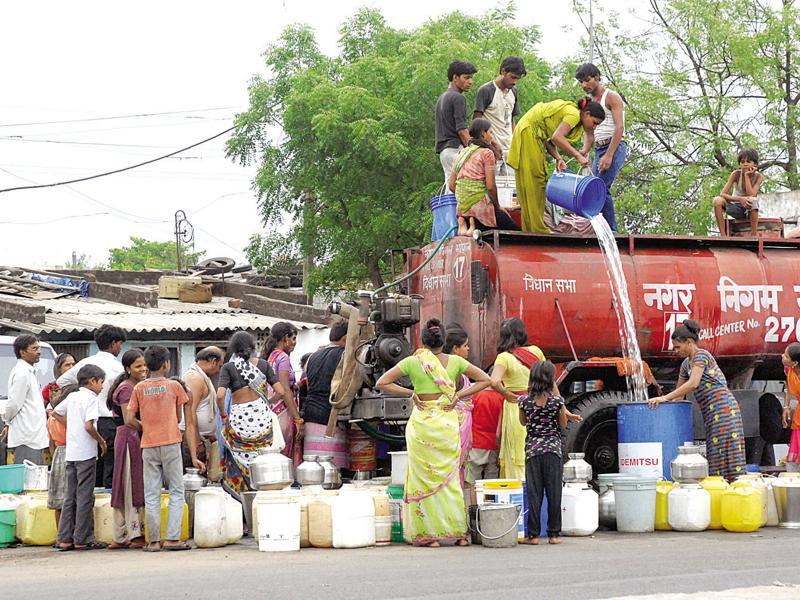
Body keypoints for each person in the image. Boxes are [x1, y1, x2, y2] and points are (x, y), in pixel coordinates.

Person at [375, 319, 491, 547]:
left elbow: (382, 382)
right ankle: (458, 533)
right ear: (444, 341)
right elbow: (486, 380)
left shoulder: (412, 362)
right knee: (450, 481)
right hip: (447, 425)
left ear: (423, 342)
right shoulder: (456, 362)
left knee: (424, 481)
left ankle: (430, 536)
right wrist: (458, 396)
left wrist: (410, 393)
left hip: (422, 427)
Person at [648, 320, 746, 481]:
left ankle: (734, 490)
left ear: (689, 342)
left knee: (728, 453)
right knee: (715, 454)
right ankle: (720, 491)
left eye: (678, 346)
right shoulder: (686, 364)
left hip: (724, 411)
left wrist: (664, 397)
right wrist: (662, 407)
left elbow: (693, 384)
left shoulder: (701, 356)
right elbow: (679, 396)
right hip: (711, 415)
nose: (676, 351)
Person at [507, 98, 605, 233]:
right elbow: (556, 137)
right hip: (529, 132)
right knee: (535, 181)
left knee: (536, 181)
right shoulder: (574, 114)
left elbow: (550, 140)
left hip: (534, 135)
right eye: (594, 123)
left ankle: (532, 228)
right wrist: (577, 156)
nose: (594, 127)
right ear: (586, 114)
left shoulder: (576, 118)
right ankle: (537, 229)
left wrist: (558, 158)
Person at [127, 345, 190, 551]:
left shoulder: (139, 388)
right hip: (171, 442)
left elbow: (129, 419)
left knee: (152, 493)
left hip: (149, 444)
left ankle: (153, 541)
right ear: (166, 364)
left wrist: (144, 428)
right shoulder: (174, 386)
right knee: (176, 491)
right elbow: (179, 417)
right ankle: (172, 538)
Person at [217, 331, 286, 495]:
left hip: (240, 420)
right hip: (262, 420)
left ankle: (243, 496)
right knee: (262, 457)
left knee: (235, 455)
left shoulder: (229, 367)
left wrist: (223, 414)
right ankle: (263, 491)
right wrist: (267, 402)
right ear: (252, 346)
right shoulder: (263, 365)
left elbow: (220, 395)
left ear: (233, 349)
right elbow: (280, 391)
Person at [519, 361, 580, 545]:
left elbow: (523, 423)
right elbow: (562, 424)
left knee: (534, 493)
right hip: (553, 449)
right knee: (554, 492)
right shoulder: (557, 401)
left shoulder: (524, 401)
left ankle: (534, 535)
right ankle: (553, 534)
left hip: (532, 450)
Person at [58, 324, 127, 487]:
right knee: (109, 467)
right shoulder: (119, 368)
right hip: (110, 422)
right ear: (114, 344)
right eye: (120, 344)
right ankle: (107, 504)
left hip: (86, 423)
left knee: (90, 467)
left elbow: (61, 381)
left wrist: (80, 394)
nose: (120, 347)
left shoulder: (85, 363)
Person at [54, 365, 108, 551]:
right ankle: (82, 538)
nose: (102, 386)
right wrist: (101, 441)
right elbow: (89, 426)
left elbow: (54, 412)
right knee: (84, 496)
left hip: (72, 453)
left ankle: (64, 538)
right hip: (86, 453)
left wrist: (71, 426)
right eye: (101, 382)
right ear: (92, 381)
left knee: (70, 496)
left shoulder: (73, 396)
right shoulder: (91, 399)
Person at [490, 318, 547, 480]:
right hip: (537, 405)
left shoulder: (504, 357)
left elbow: (494, 381)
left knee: (517, 454)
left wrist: (506, 393)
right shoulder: (536, 351)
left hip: (516, 408)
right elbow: (547, 378)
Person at [575, 63, 626, 233]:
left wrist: (609, 155)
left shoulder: (611, 97)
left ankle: (611, 231)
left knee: (600, 188)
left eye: (587, 80)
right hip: (598, 148)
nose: (584, 85)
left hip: (614, 146)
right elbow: (590, 133)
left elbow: (619, 127)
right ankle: (599, 228)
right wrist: (583, 151)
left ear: (597, 77)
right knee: (594, 187)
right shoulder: (589, 103)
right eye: (581, 82)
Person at [106, 349, 148, 550]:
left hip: (127, 437)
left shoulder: (132, 386)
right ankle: (134, 533)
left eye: (144, 365)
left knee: (125, 485)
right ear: (128, 368)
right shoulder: (127, 389)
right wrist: (149, 428)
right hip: (129, 438)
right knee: (131, 485)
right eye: (138, 366)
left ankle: (121, 534)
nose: (143, 369)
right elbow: (130, 420)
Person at [448, 118, 520, 234]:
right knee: (515, 231)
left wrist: (467, 196)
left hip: (462, 209)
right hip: (480, 210)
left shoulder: (461, 154)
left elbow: (451, 186)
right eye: (490, 132)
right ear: (483, 133)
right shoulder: (486, 153)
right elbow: (490, 187)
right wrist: (498, 206)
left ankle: (465, 223)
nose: (492, 137)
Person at [303, 320, 349, 468]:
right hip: (331, 417)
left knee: (313, 467)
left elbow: (306, 384)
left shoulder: (312, 357)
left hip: (310, 414)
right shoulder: (345, 355)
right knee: (333, 468)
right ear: (346, 338)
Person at [263, 322, 303, 466]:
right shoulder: (283, 358)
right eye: (293, 339)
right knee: (284, 453)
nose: (294, 343)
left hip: (272, 410)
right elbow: (285, 389)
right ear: (285, 338)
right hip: (284, 412)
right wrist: (297, 419)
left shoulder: (271, 356)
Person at [5, 334, 48, 464]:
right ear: (22, 353)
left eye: (39, 348)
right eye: (34, 349)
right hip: (27, 436)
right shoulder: (22, 373)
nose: (39, 352)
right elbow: (13, 404)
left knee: (34, 478)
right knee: (28, 478)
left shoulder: (29, 371)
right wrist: (7, 421)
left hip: (33, 436)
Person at [473, 56, 527, 160]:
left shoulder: (514, 91)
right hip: (491, 150)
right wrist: (489, 145)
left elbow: (511, 120)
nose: (515, 82)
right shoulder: (486, 90)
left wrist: (516, 145)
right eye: (513, 77)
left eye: (517, 79)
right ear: (503, 71)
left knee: (512, 177)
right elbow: (477, 122)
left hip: (510, 149)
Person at [181, 347, 224, 472]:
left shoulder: (201, 376)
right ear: (213, 361)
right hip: (192, 441)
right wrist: (196, 443)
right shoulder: (195, 378)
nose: (218, 370)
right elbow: (190, 413)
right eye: (219, 366)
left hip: (201, 439)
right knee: (193, 480)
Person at [435, 60, 478, 182]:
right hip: (455, 150)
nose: (471, 82)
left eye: (471, 78)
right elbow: (462, 129)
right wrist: (473, 150)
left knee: (450, 187)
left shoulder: (442, 98)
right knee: (464, 188)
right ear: (455, 77)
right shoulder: (458, 98)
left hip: (445, 152)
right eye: (467, 77)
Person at [442, 324, 474, 491]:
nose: (468, 349)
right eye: (465, 345)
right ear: (455, 349)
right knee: (455, 467)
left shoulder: (444, 369)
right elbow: (486, 380)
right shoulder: (456, 372)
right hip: (458, 424)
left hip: (457, 423)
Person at [713, 148, 763, 237]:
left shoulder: (758, 177)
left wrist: (747, 176)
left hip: (749, 208)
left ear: (755, 164)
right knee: (717, 200)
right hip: (736, 207)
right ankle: (723, 236)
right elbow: (723, 194)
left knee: (753, 200)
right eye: (742, 162)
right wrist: (740, 199)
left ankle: (753, 235)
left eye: (748, 161)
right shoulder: (736, 174)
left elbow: (751, 194)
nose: (745, 164)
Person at [46, 382, 76, 529]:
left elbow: (51, 442)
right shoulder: (66, 417)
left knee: (58, 498)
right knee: (69, 496)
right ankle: (70, 532)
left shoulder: (51, 418)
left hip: (58, 453)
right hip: (70, 452)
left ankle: (60, 533)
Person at [781, 343, 800, 472]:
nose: (782, 356)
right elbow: (788, 386)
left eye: (786, 356)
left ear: (795, 363)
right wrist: (786, 406)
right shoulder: (789, 369)